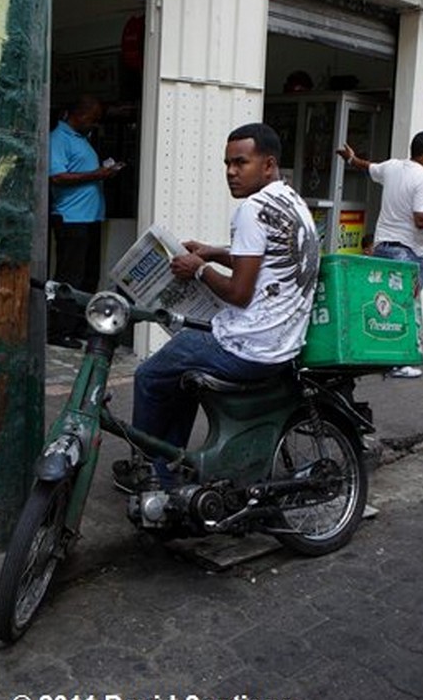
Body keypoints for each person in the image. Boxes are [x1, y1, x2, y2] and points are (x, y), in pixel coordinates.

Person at [116, 122, 321, 490]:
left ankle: (146, 470)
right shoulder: (292, 202)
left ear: (269, 164)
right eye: (227, 163)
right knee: (178, 369)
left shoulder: (253, 209)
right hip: (280, 344)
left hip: (246, 348)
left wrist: (199, 269)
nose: (231, 172)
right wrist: (214, 252)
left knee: (148, 376)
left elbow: (239, 292)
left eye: (241, 163)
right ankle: (169, 463)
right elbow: (264, 261)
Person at [336, 131, 423, 378]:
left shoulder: (393, 167)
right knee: (406, 306)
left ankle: (383, 354)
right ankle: (400, 362)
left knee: (383, 304)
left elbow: (368, 167)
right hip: (407, 251)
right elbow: (420, 219)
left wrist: (352, 159)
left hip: (383, 247)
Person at [48, 95, 124, 347]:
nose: (93, 124)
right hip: (71, 219)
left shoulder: (81, 139)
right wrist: (98, 174)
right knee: (70, 278)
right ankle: (59, 332)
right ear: (76, 115)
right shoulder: (58, 139)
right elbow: (57, 177)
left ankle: (80, 325)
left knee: (89, 277)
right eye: (90, 119)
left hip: (90, 217)